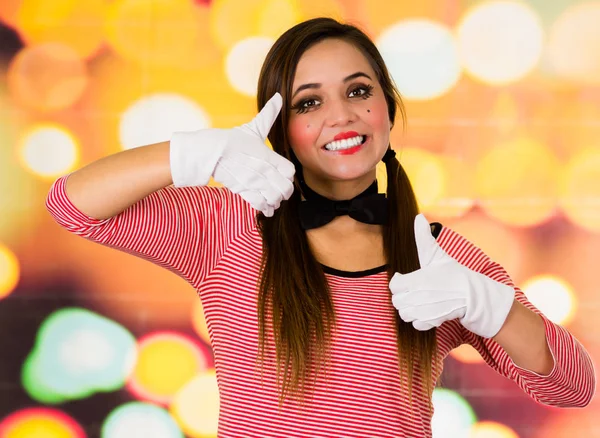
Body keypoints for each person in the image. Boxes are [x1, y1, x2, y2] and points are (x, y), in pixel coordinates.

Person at [46, 17, 595, 438]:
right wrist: (193, 153)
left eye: (358, 91)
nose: (341, 116)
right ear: (280, 128)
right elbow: (71, 204)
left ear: (387, 107)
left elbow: (574, 386)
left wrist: (486, 302)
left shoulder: (437, 257)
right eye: (310, 102)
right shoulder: (229, 229)